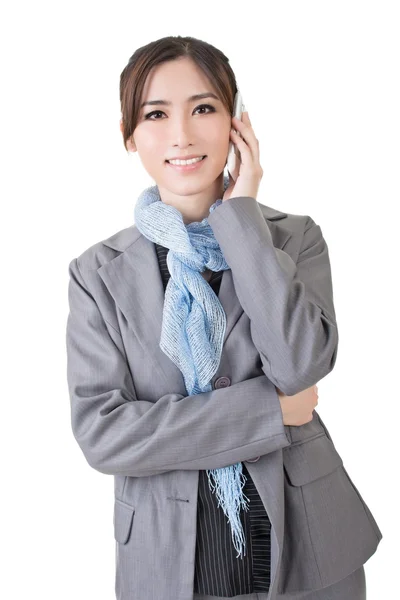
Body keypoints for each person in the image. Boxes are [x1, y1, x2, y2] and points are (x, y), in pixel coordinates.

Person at [66, 35, 382, 600]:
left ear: (237, 123)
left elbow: (301, 364)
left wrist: (241, 217)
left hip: (309, 553)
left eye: (204, 108)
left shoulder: (293, 238)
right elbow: (105, 436)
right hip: (168, 561)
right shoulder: (97, 274)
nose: (182, 135)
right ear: (129, 135)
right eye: (155, 114)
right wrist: (268, 411)